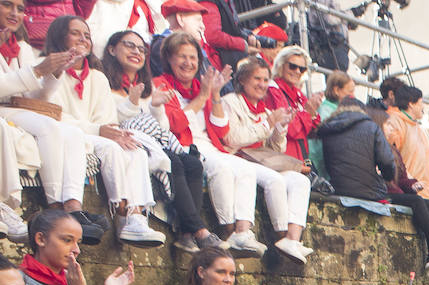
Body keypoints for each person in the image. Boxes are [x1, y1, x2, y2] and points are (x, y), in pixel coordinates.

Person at [42, 15, 166, 245]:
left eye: (87, 35)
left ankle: (136, 217)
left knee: (134, 148)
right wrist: (100, 130)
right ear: (59, 36)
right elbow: (52, 114)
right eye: (75, 33)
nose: (83, 39)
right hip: (69, 135)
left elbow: (107, 119)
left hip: (93, 134)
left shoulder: (98, 77)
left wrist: (115, 133)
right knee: (111, 148)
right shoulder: (50, 71)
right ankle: (121, 213)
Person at [100, 28, 226, 253]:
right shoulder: (105, 80)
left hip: (157, 141)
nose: (136, 52)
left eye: (141, 49)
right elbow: (113, 119)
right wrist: (134, 104)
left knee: (193, 163)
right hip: (128, 141)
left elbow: (163, 126)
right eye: (130, 46)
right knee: (174, 161)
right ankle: (198, 230)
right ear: (111, 49)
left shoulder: (147, 84)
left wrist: (156, 106)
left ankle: (187, 233)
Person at [317, 96, 429, 271]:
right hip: (369, 192)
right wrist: (387, 177)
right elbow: (387, 164)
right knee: (417, 201)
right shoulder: (369, 127)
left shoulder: (326, 130)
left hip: (340, 188)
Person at [154, 31, 269, 257]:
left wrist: (214, 95)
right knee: (221, 168)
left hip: (210, 146)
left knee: (245, 169)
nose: (188, 63)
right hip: (182, 147)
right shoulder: (162, 85)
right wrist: (203, 96)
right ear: (169, 59)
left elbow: (220, 130)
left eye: (193, 58)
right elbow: (174, 125)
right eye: (182, 57)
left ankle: (243, 232)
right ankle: (226, 231)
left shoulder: (202, 86)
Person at [0, 1, 99, 241]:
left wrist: (54, 72)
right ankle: (54, 206)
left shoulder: (21, 48)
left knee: (72, 133)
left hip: (18, 110)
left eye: (21, 9)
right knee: (48, 127)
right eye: (7, 5)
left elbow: (36, 99)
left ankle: (73, 206)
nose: (15, 13)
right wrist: (36, 71)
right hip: (4, 110)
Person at [218, 54, 312, 262]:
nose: (261, 85)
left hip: (261, 159)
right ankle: (280, 235)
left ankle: (293, 239)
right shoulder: (230, 102)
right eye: (256, 79)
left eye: (264, 80)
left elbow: (276, 148)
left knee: (300, 180)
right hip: (239, 158)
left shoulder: (266, 109)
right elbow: (232, 138)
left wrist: (280, 128)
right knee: (275, 180)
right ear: (242, 80)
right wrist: (267, 125)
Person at [266, 45, 319, 162]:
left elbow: (315, 128)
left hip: (299, 158)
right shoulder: (273, 90)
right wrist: (308, 114)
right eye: (292, 66)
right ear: (281, 65)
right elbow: (291, 130)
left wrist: (311, 113)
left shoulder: (298, 93)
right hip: (281, 159)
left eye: (302, 69)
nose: (297, 71)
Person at [306, 69, 351, 180]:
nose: (352, 96)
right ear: (336, 90)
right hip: (319, 164)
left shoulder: (336, 109)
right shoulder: (326, 110)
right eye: (350, 91)